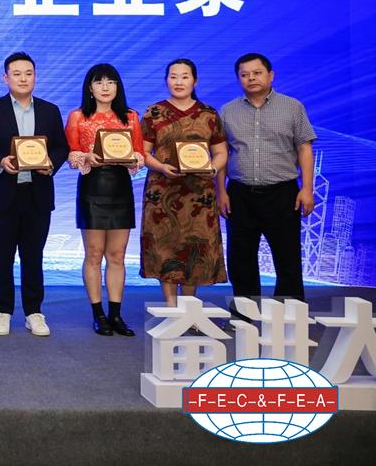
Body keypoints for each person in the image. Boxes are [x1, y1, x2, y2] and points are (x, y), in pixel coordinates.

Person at [0, 52, 68, 337]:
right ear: (6, 78)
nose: (23, 79)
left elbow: (61, 147)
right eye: (17, 74)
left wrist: (51, 163)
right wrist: (0, 161)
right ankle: (2, 311)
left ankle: (34, 312)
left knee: (33, 256)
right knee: (2, 256)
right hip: (2, 195)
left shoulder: (50, 110)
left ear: (35, 77)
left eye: (28, 73)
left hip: (37, 194)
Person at [217, 53, 316, 304]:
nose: (251, 78)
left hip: (282, 194)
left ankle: (290, 315)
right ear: (238, 79)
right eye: (244, 74)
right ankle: (245, 315)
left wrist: (307, 189)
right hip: (240, 194)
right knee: (240, 259)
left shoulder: (292, 107)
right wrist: (221, 192)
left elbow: (304, 148)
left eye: (257, 73)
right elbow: (222, 154)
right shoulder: (228, 111)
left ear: (271, 75)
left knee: (287, 258)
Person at [140, 58, 228, 308]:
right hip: (162, 192)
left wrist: (212, 168)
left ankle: (189, 307)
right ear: (166, 80)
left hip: (199, 195)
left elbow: (221, 152)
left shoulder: (209, 114)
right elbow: (142, 152)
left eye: (184, 76)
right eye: (173, 76)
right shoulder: (154, 112)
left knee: (195, 249)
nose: (178, 82)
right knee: (165, 247)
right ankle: (171, 307)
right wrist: (161, 167)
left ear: (195, 81)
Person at [63, 63, 143, 337]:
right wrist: (86, 157)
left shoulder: (131, 117)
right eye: (99, 82)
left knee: (117, 255)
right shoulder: (78, 116)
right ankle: (98, 314)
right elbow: (71, 154)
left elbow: (140, 153)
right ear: (90, 87)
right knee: (94, 254)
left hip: (121, 188)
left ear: (118, 86)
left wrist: (133, 159)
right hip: (92, 187)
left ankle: (116, 314)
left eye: (111, 82)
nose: (105, 87)